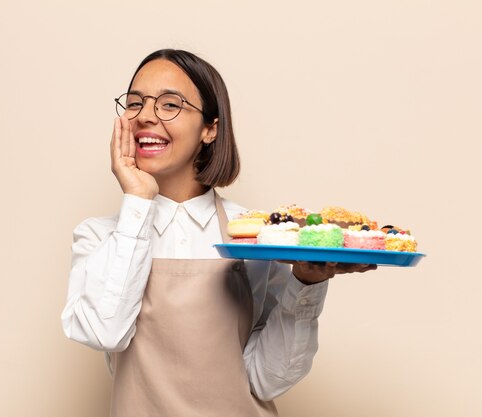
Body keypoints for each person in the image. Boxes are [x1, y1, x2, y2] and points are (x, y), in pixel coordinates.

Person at [61, 49, 376, 417]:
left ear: (210, 128)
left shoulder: (255, 237)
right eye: (135, 103)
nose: (146, 116)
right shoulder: (101, 238)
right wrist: (137, 199)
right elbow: (104, 332)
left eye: (169, 104)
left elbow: (267, 380)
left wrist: (306, 284)